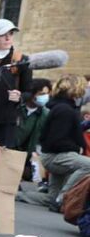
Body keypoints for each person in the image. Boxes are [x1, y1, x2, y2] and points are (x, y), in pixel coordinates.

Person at [36, 75, 90, 206]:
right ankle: (64, 198)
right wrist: (78, 148)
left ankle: (19, 196)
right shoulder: (65, 110)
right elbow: (58, 139)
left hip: (52, 155)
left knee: (51, 198)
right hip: (56, 156)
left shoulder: (61, 107)